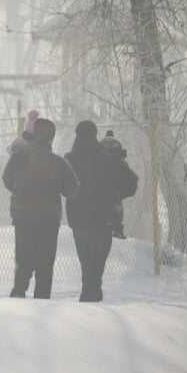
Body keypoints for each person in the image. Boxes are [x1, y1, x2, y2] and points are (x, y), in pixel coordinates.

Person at [2, 118, 79, 299]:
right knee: (45, 262)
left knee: (23, 258)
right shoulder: (58, 163)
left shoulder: (17, 159)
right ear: (51, 138)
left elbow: (7, 180)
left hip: (22, 217)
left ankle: (19, 293)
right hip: (48, 220)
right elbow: (72, 190)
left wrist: (21, 192)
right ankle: (42, 298)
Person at [65, 121, 138, 302]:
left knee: (86, 262)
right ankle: (91, 298)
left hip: (78, 219)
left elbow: (62, 185)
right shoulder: (108, 159)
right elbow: (131, 184)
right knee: (96, 263)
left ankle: (90, 297)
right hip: (103, 218)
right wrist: (117, 193)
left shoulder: (70, 159)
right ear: (95, 134)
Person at [99, 130, 128, 239]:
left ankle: (104, 222)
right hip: (114, 176)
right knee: (117, 202)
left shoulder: (102, 142)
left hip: (102, 176)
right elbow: (120, 158)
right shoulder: (117, 143)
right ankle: (118, 228)